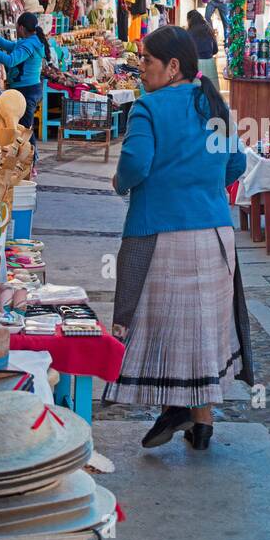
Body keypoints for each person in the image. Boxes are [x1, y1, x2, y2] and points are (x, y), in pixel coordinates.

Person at [107, 26, 252, 451]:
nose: (141, 69)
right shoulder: (214, 106)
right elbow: (235, 164)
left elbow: (135, 164)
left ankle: (179, 411)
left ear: (173, 67)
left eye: (147, 61)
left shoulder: (147, 108)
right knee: (201, 335)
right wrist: (204, 186)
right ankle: (200, 423)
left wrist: (120, 182)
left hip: (161, 238)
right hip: (214, 239)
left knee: (167, 333)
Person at [0, 13, 51, 144]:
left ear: (21, 28)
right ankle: (26, 161)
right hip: (26, 89)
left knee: (24, 131)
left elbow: (10, 61)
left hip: (27, 91)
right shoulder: (28, 41)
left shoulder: (30, 45)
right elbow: (11, 46)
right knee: (22, 129)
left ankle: (31, 161)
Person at [186, 8, 220, 85]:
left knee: (197, 91)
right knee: (210, 91)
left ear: (189, 20)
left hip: (196, 65)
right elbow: (215, 50)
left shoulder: (189, 32)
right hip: (210, 64)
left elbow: (186, 52)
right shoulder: (209, 29)